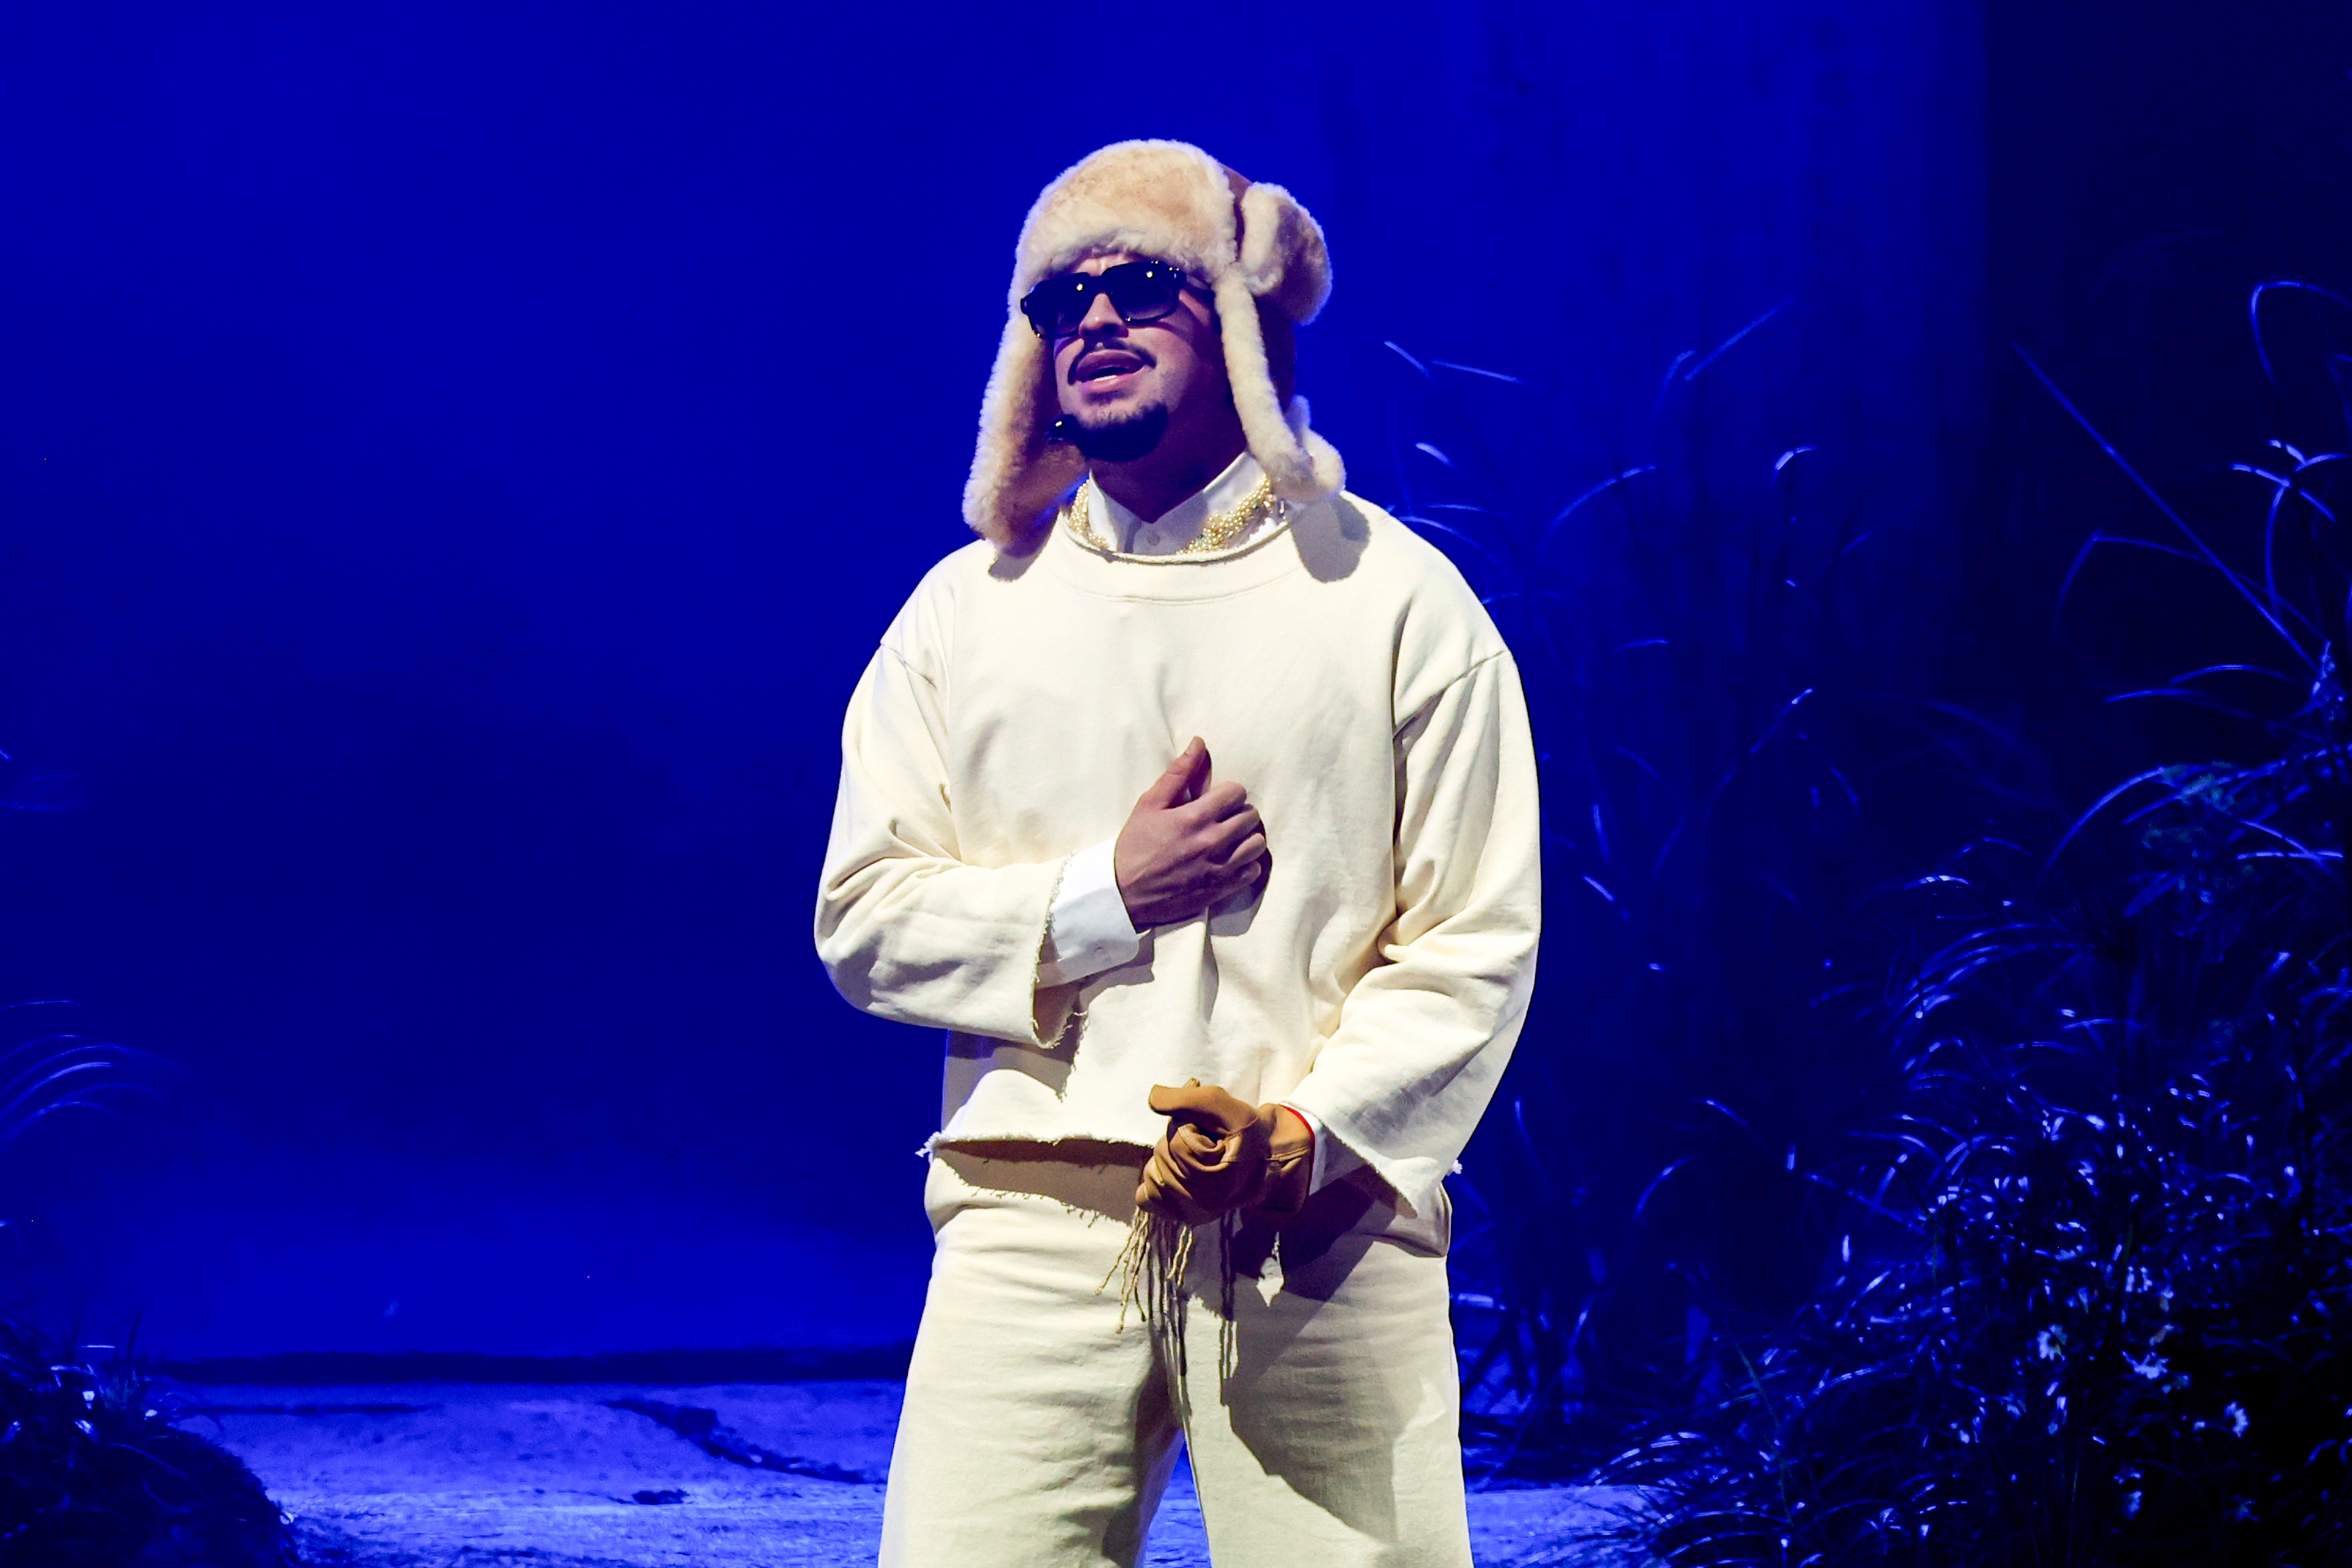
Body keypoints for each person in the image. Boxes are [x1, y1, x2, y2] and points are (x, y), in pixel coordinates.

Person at [815, 139, 1540, 1568]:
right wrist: (1108, 895)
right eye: (1056, 301)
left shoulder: (1392, 599)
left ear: (1243, 317)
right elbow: (864, 917)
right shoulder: (965, 614)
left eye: (1143, 284)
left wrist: (1301, 1134)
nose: (1093, 321)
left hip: (1319, 1224)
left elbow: (1472, 942)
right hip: (1033, 1211)